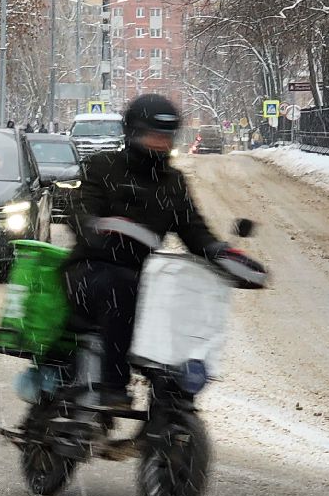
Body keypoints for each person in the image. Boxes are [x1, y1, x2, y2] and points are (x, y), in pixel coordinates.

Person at [63, 93, 266, 410]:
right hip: (88, 272)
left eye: (166, 137)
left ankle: (171, 399)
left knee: (178, 301)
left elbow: (195, 231)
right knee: (121, 286)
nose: (159, 144)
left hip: (142, 277)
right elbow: (80, 212)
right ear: (132, 133)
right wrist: (96, 229)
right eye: (152, 135)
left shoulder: (173, 182)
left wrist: (225, 256)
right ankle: (111, 387)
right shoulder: (103, 166)